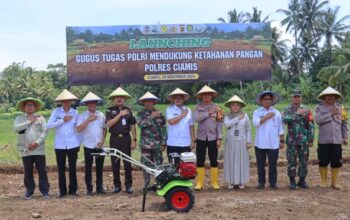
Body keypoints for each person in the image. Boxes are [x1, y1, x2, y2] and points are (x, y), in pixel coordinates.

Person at [14, 97, 49, 199]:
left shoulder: (40, 118)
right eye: (28, 105)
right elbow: (16, 128)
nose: (30, 107)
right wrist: (29, 121)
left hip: (39, 150)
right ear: (24, 107)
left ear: (35, 107)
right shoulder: (19, 119)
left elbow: (45, 131)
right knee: (28, 171)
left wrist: (36, 142)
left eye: (31, 105)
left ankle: (45, 191)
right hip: (26, 150)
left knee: (42, 171)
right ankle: (29, 191)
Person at [47, 89, 80, 198]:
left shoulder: (75, 112)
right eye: (64, 100)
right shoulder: (56, 112)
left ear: (71, 102)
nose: (66, 102)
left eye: (68, 100)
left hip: (73, 143)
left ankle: (73, 190)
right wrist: (62, 120)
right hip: (60, 144)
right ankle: (62, 191)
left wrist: (79, 142)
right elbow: (49, 125)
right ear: (61, 102)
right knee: (61, 168)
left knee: (72, 168)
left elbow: (77, 128)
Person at [315, 87, 348, 190]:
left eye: (332, 97)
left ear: (335, 98)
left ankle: (334, 182)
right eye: (328, 97)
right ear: (324, 98)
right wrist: (330, 114)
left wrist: (345, 137)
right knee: (323, 160)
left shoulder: (341, 108)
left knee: (336, 161)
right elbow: (318, 120)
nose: (330, 99)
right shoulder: (319, 108)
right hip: (324, 140)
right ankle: (323, 181)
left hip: (337, 140)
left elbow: (344, 123)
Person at [106, 87, 137, 194]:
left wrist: (134, 140)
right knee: (115, 163)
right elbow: (109, 124)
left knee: (127, 162)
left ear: (124, 99)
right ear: (114, 99)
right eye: (117, 97)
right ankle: (117, 186)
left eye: (121, 97)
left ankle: (128, 186)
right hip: (114, 139)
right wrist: (120, 115)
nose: (119, 99)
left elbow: (133, 126)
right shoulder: (109, 110)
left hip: (126, 138)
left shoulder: (129, 111)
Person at [283, 90, 314, 189]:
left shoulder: (307, 110)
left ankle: (302, 180)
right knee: (291, 160)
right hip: (292, 140)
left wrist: (311, 139)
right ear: (292, 98)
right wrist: (296, 113)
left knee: (304, 161)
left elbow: (311, 124)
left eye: (298, 97)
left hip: (304, 141)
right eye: (295, 97)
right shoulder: (287, 109)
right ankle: (292, 181)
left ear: (301, 98)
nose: (296, 98)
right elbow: (285, 119)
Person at [77, 92, 107, 195]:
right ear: (86, 104)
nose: (91, 105)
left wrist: (102, 140)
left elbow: (104, 129)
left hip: (100, 145)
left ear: (96, 104)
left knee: (100, 167)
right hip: (88, 145)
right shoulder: (82, 116)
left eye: (93, 103)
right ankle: (89, 189)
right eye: (89, 103)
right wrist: (88, 120)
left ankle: (100, 187)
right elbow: (79, 129)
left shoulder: (101, 115)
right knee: (88, 168)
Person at [193, 85, 223, 190]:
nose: (206, 97)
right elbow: (196, 118)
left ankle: (214, 183)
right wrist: (208, 113)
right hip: (201, 137)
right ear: (201, 96)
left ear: (211, 96)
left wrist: (219, 138)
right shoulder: (197, 108)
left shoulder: (218, 108)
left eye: (208, 95)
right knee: (200, 160)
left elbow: (219, 124)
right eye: (204, 95)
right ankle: (199, 183)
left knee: (213, 160)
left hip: (213, 137)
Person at [253, 91, 284, 190]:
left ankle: (273, 182)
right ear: (261, 101)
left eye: (269, 99)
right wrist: (266, 117)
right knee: (260, 164)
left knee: (273, 165)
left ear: (272, 101)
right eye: (265, 99)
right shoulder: (257, 112)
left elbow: (281, 128)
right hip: (260, 143)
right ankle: (261, 182)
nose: (267, 101)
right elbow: (256, 123)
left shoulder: (277, 113)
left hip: (273, 143)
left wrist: (282, 141)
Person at [137, 92, 167, 188]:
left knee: (158, 164)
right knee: (146, 165)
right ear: (143, 103)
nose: (148, 103)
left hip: (157, 144)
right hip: (145, 144)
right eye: (146, 101)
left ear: (154, 102)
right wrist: (151, 117)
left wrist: (164, 142)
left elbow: (163, 128)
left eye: (150, 101)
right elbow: (140, 124)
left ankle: (159, 184)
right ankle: (146, 186)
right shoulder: (140, 114)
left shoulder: (160, 114)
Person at [223, 95, 252, 190]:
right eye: (233, 105)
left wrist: (248, 141)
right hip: (230, 142)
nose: (235, 107)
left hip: (241, 142)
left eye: (237, 105)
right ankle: (231, 182)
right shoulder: (227, 116)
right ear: (230, 106)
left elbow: (248, 129)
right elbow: (227, 125)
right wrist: (237, 118)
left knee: (241, 161)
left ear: (240, 107)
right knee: (230, 161)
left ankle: (241, 181)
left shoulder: (245, 116)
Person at [165, 88, 195, 163]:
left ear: (183, 99)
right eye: (176, 98)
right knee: (173, 166)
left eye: (180, 97)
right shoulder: (169, 109)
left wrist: (193, 140)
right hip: (173, 143)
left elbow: (191, 126)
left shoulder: (188, 110)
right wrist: (182, 115)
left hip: (185, 143)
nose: (178, 99)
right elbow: (171, 121)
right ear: (173, 99)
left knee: (186, 166)